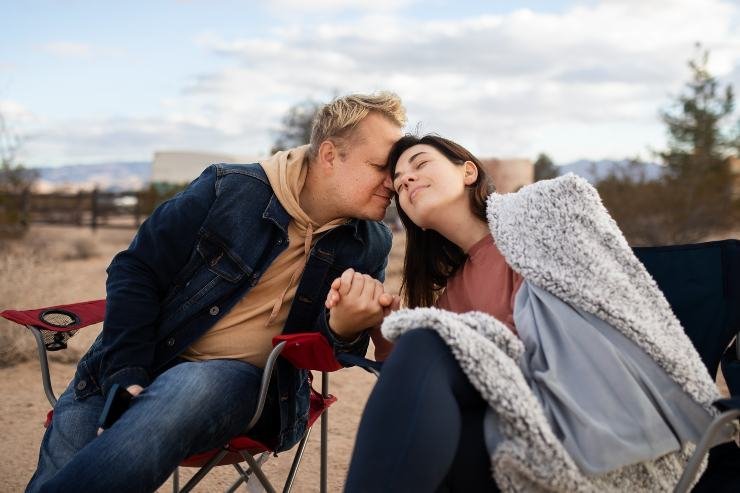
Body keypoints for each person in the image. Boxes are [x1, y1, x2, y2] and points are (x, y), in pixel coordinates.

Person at [26, 92, 406, 493]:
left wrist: (342, 328)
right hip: (136, 359)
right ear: (330, 155)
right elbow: (135, 269)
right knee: (64, 465)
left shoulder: (369, 243)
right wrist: (126, 374)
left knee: (192, 385)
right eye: (381, 167)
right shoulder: (229, 189)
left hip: (242, 389)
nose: (392, 183)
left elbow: (326, 352)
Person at [327, 135, 726, 492]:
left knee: (432, 340)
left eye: (420, 163)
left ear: (468, 171)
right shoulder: (451, 297)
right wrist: (380, 330)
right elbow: (419, 398)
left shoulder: (544, 212)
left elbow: (610, 308)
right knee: (430, 364)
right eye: (398, 181)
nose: (406, 180)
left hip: (592, 427)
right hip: (512, 442)